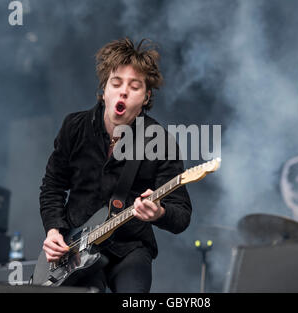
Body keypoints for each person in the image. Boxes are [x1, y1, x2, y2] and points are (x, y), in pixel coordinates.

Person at [39, 37, 192, 293]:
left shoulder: (159, 140)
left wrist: (159, 213)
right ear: (104, 90)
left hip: (130, 248)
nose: (123, 92)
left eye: (134, 86)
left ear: (146, 97)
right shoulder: (74, 127)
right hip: (75, 250)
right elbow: (52, 187)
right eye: (116, 83)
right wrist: (54, 231)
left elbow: (182, 213)